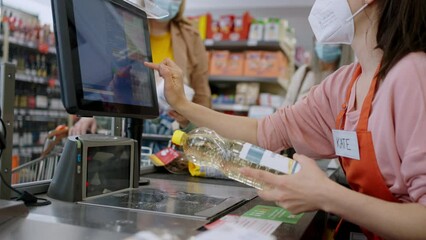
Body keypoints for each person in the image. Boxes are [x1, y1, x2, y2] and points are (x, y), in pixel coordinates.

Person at [144, 0, 426, 239]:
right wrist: (182, 103)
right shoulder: (344, 83)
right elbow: (265, 131)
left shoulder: (412, 75)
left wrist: (329, 196)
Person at [70, 0, 211, 135]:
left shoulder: (191, 36)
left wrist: (201, 133)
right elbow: (106, 78)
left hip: (172, 130)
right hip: (126, 123)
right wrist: (92, 114)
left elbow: (202, 93)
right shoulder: (125, 25)